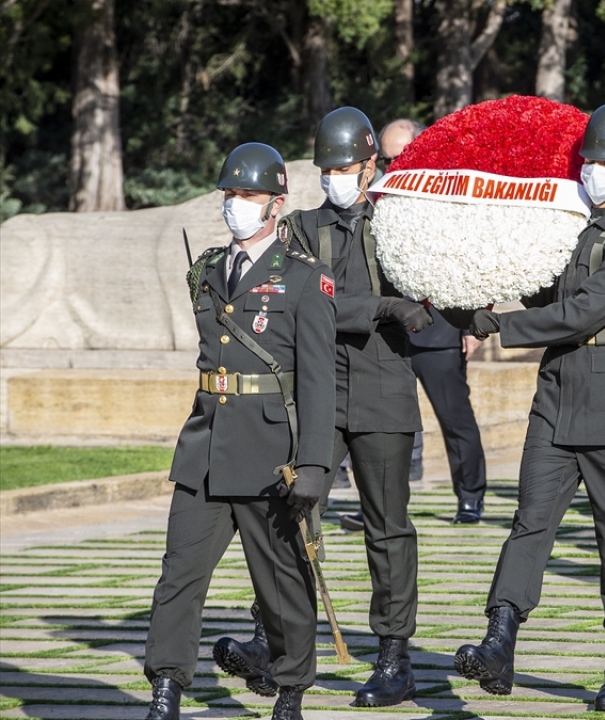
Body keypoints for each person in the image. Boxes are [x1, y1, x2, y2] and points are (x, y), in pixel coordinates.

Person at [215, 107, 432, 708]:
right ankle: (275, 637)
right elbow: (307, 299)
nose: (334, 177)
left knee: (388, 528)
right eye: (325, 168)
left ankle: (394, 656)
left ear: (370, 166)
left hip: (385, 391)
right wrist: (385, 307)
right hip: (318, 390)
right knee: (291, 514)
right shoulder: (301, 229)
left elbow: (428, 292)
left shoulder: (400, 220)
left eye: (344, 167)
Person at [452, 102, 605, 714]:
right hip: (559, 392)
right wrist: (474, 282)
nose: (594, 170)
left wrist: (496, 322)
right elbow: (540, 282)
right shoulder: (571, 231)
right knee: (530, 519)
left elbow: (580, 312)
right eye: (589, 160)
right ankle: (500, 640)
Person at [143, 143, 336, 720]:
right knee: (179, 573)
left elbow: (321, 383)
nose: (235, 205)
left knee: (280, 580)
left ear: (276, 204)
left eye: (248, 195)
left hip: (270, 453)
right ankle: (167, 686)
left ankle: (292, 688)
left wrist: (317, 464)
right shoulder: (207, 270)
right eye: (230, 194)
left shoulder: (304, 280)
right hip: (205, 445)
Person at [340, 117, 488, 532]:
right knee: (383, 425)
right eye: (385, 158)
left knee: (455, 418)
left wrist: (471, 327)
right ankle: (379, 506)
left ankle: (471, 497)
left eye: (400, 155)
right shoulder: (372, 201)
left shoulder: (450, 198)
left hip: (441, 328)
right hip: (387, 332)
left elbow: (471, 264)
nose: (393, 164)